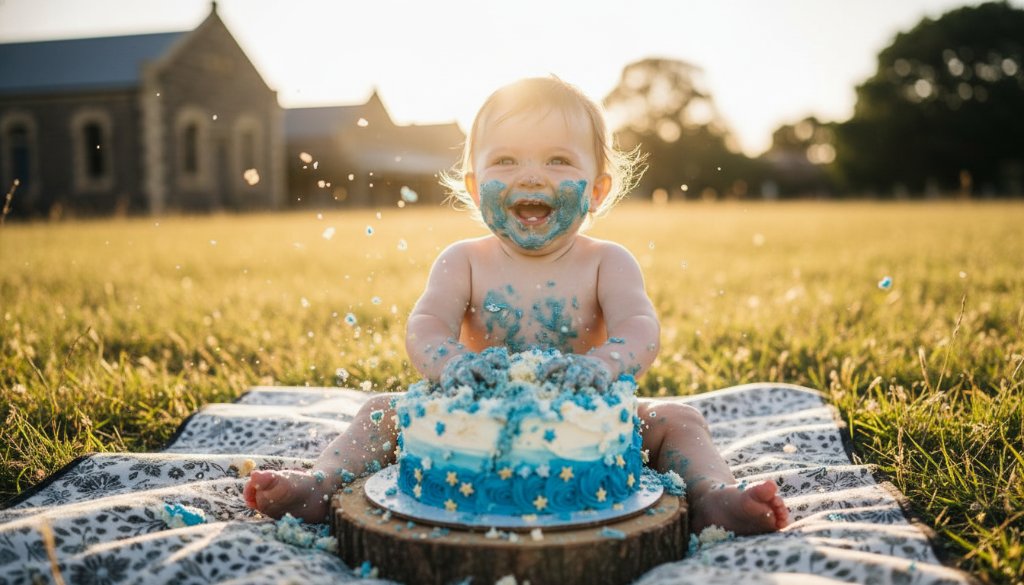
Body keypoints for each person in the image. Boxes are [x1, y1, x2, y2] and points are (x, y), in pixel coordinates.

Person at [244, 77, 789, 534]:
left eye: (557, 159)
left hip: (585, 417)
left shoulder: (606, 261)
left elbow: (640, 328)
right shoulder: (465, 260)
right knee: (380, 412)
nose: (531, 176)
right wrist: (450, 364)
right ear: (476, 185)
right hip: (469, 419)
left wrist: (601, 367)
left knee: (678, 417)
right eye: (506, 160)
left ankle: (712, 496)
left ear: (597, 190)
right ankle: (319, 485)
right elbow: (427, 325)